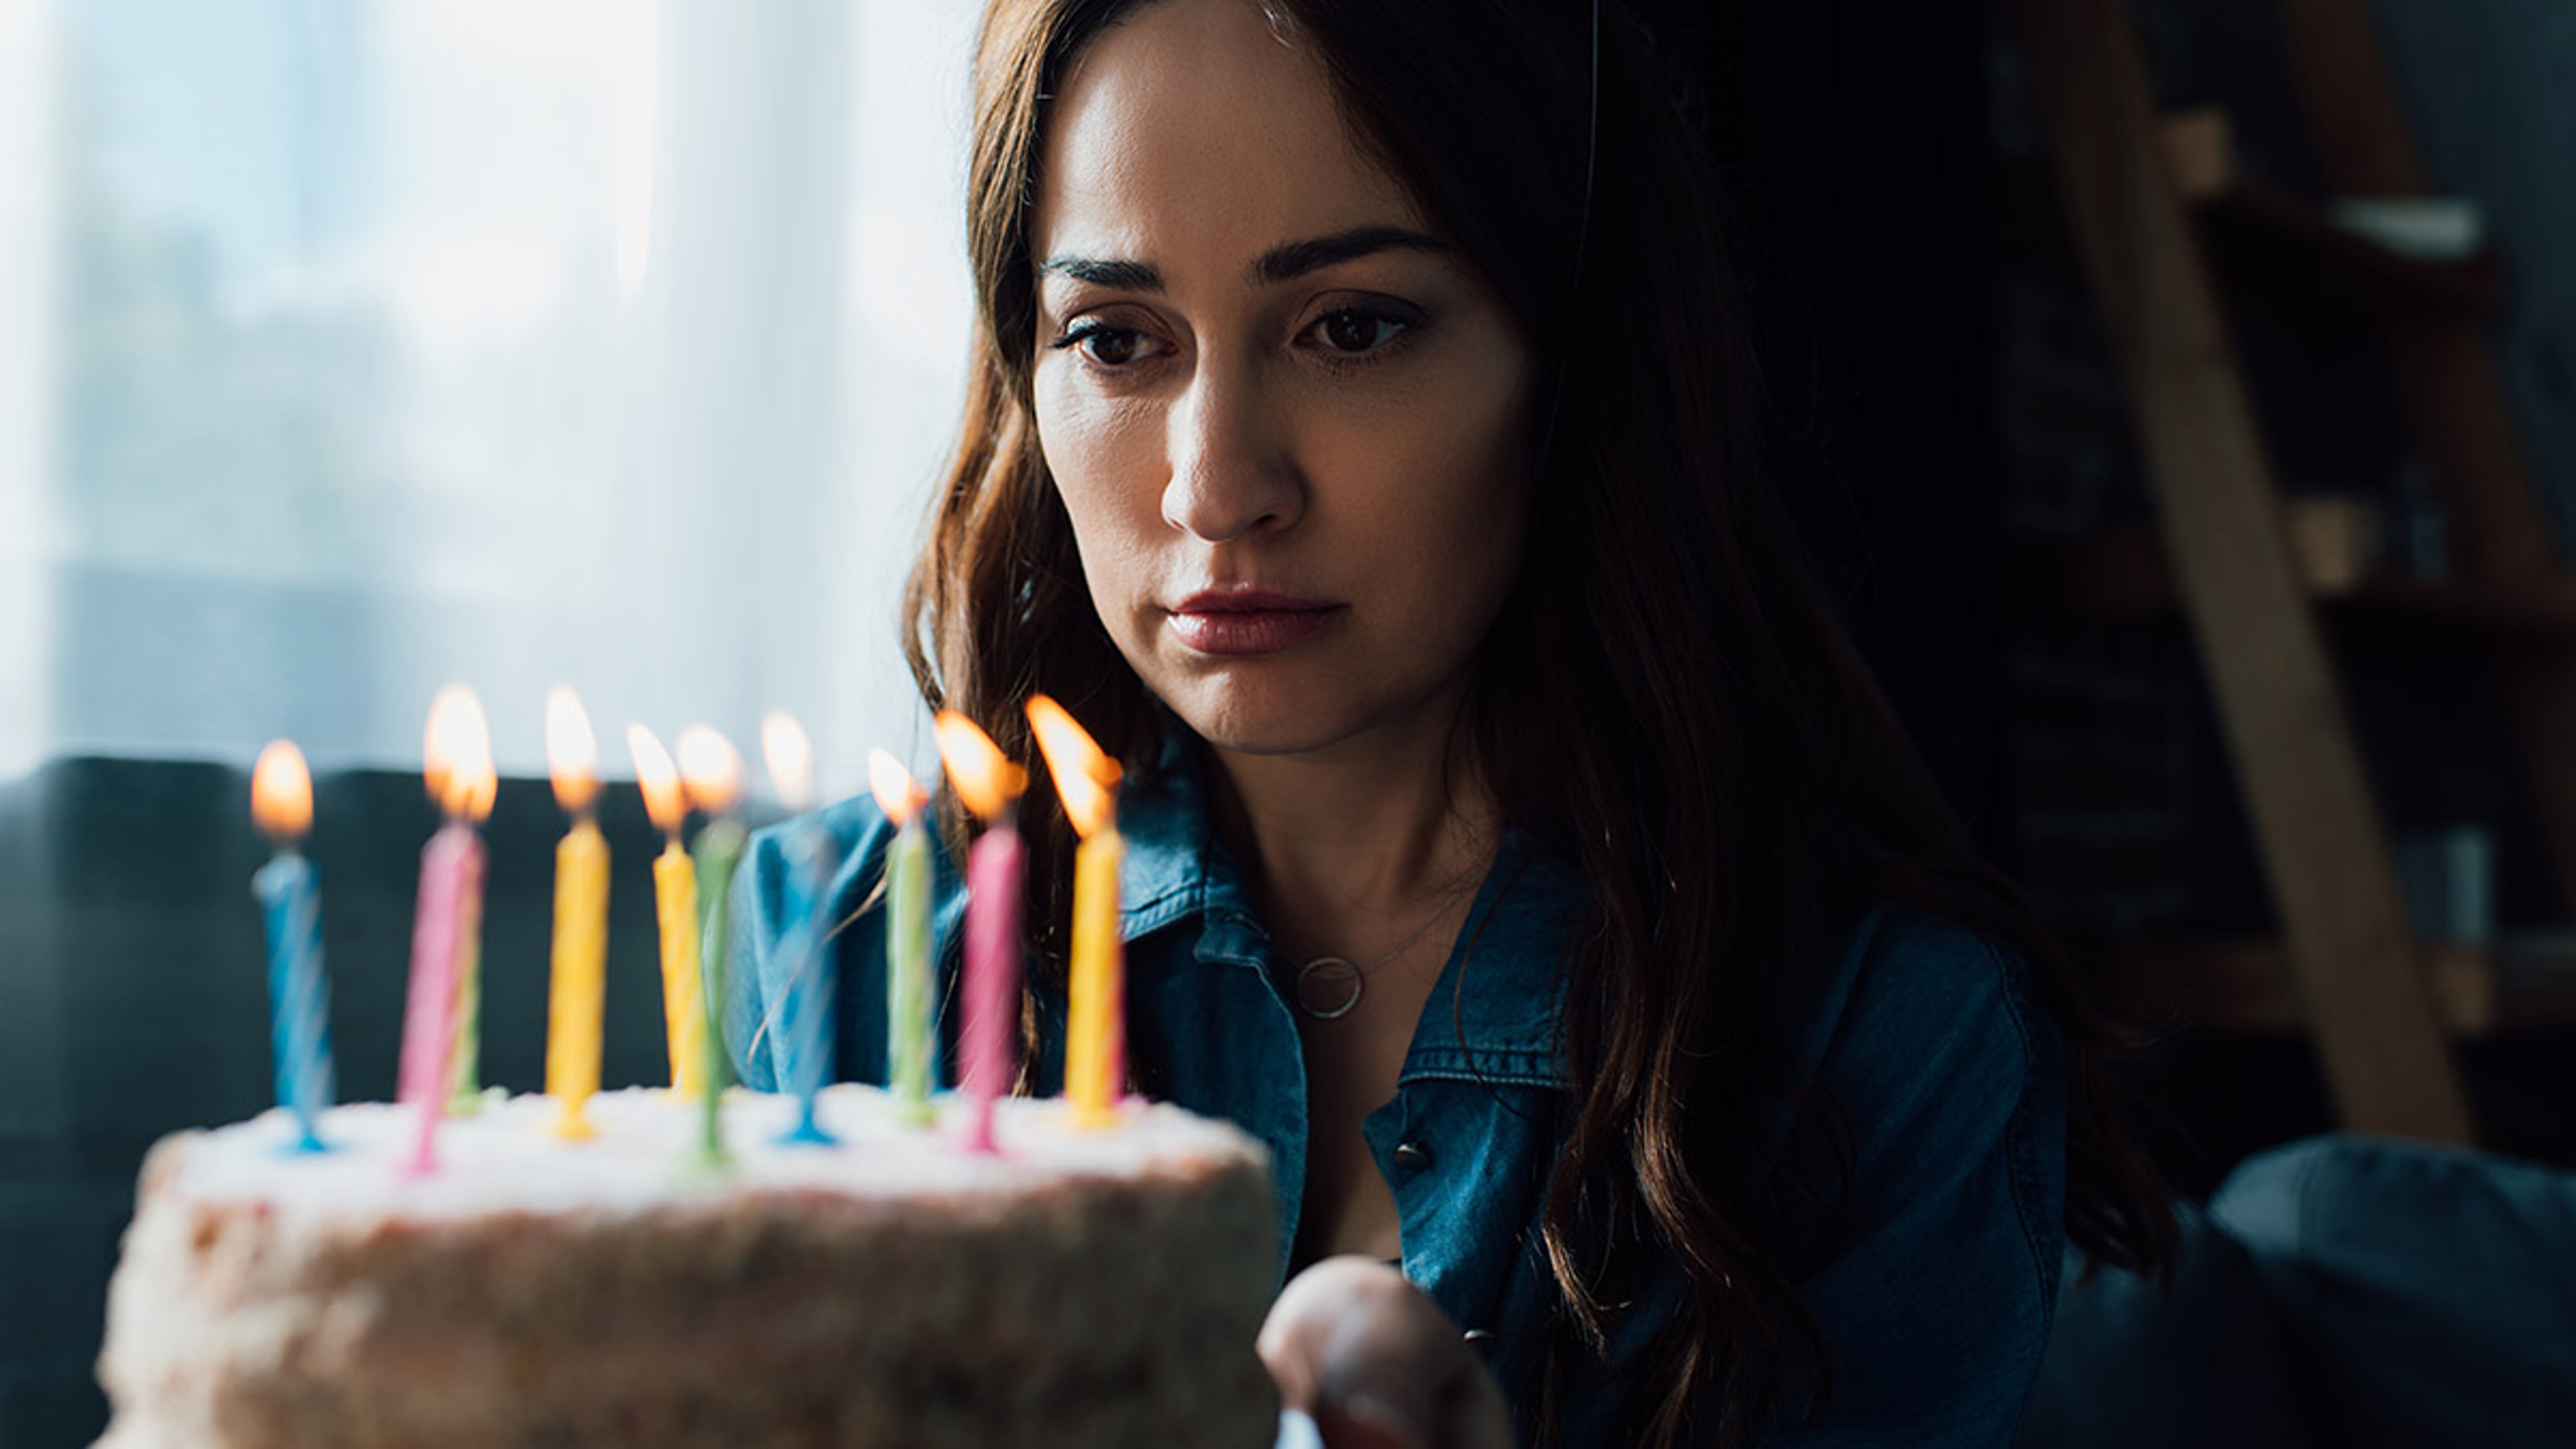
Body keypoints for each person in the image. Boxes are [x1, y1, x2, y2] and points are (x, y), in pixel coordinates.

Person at [727, 0, 2178, 1444]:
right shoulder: (840, 953)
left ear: (1572, 367)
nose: (1217, 485)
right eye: (1116, 340)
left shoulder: (1884, 1048)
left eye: (1351, 328)